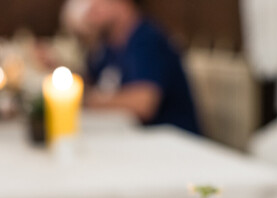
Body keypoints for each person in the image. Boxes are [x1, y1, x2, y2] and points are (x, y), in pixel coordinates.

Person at [84, 0, 201, 134]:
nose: (89, 9)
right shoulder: (109, 45)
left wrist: (88, 100)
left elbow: (143, 105)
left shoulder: (147, 39)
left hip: (173, 140)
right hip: (134, 136)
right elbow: (92, 84)